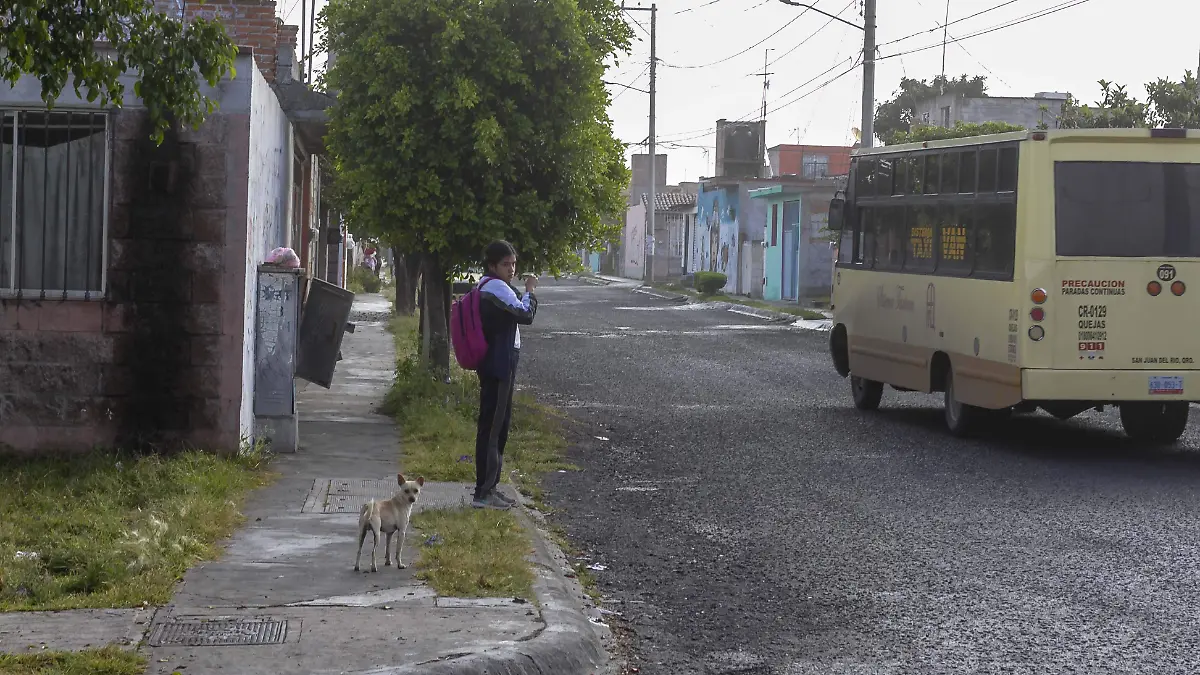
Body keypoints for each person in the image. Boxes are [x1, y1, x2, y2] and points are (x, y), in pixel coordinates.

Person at [473, 240, 538, 510]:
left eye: (513, 264)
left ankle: (490, 488)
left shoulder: (490, 286)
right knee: (493, 429)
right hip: (499, 364)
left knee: (496, 426)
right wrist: (530, 291)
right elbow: (525, 314)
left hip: (498, 361)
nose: (511, 269)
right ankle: (484, 492)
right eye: (506, 264)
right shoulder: (495, 287)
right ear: (492, 266)